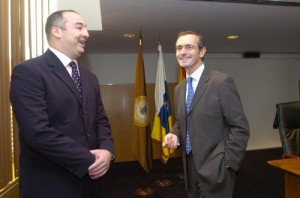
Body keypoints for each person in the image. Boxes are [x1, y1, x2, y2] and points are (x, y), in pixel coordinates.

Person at [10, 10, 114, 198]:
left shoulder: (90, 78)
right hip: (51, 185)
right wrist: (90, 160)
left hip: (93, 185)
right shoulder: (28, 72)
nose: (87, 34)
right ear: (57, 31)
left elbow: (101, 122)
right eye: (79, 27)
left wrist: (107, 151)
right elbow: (38, 132)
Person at [163, 31, 250, 198]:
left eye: (189, 47)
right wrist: (174, 134)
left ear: (202, 51)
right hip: (189, 168)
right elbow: (182, 121)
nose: (183, 52)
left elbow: (240, 127)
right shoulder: (179, 89)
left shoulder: (221, 82)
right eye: (179, 48)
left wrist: (228, 164)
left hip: (217, 169)